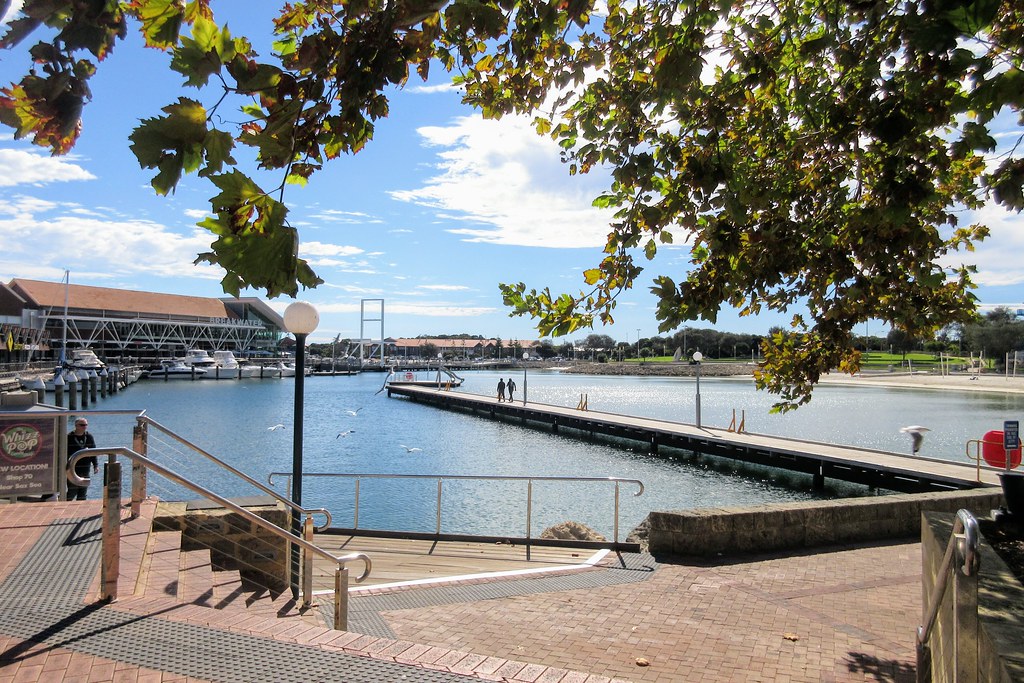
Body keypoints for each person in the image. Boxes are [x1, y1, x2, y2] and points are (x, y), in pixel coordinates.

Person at [66, 417, 98, 500]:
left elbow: (93, 452)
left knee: (83, 493)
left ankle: (80, 508)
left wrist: (95, 465)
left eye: (86, 425)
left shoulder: (89, 436)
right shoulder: (69, 437)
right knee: (72, 491)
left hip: (85, 468)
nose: (84, 427)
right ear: (76, 425)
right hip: (72, 468)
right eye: (82, 425)